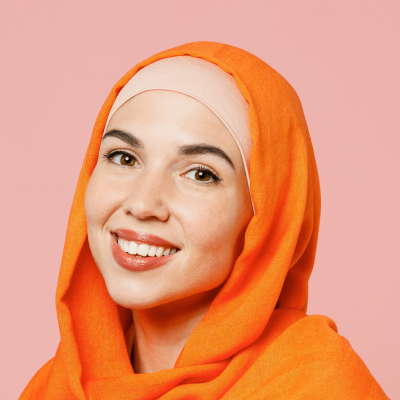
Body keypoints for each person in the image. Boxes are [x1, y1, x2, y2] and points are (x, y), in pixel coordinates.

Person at [19, 42, 388, 399]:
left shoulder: (318, 387)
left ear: (266, 217)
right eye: (124, 157)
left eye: (200, 174)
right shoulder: (55, 388)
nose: (143, 202)